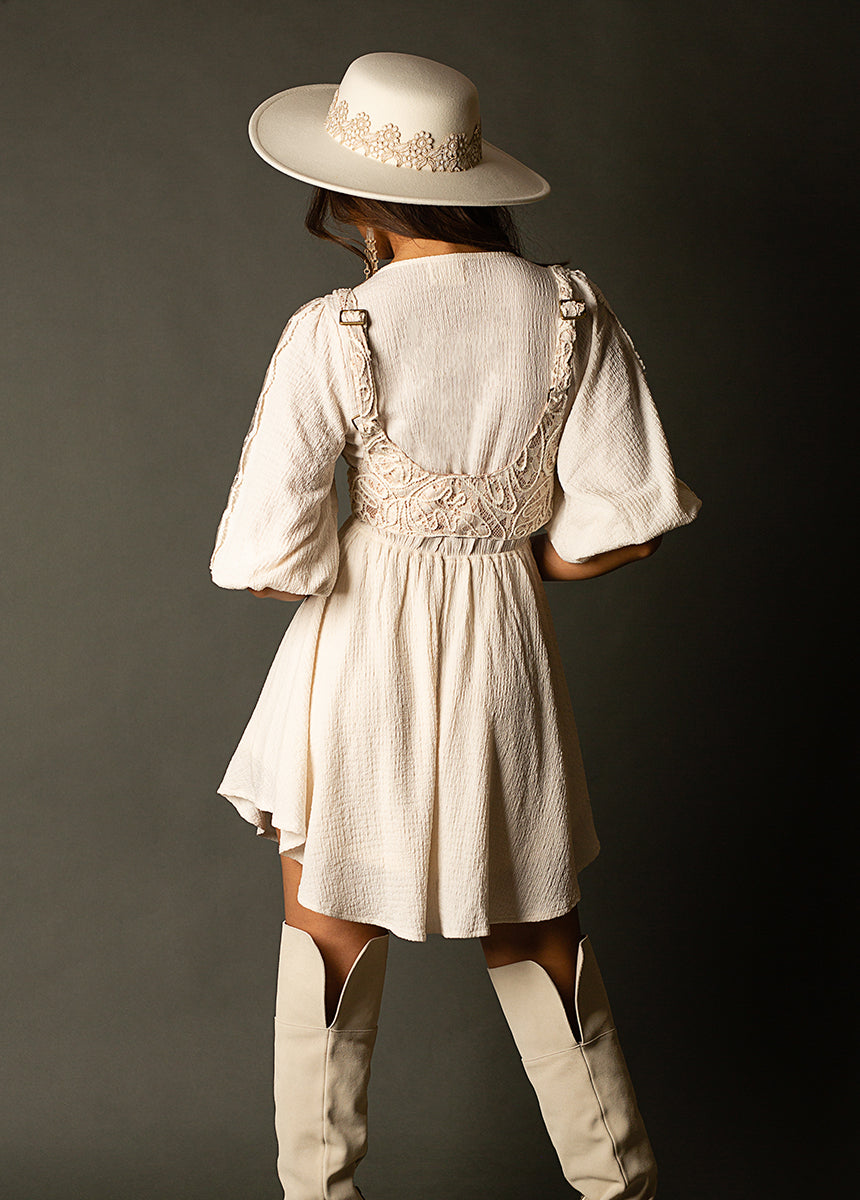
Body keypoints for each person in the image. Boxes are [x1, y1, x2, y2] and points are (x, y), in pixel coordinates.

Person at [210, 51, 701, 1200]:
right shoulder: (567, 310)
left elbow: (265, 560)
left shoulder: (336, 326)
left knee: (330, 934)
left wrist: (371, 549)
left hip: (357, 648)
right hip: (504, 648)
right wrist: (515, 557)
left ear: (351, 194)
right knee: (538, 939)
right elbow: (628, 521)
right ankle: (619, 1188)